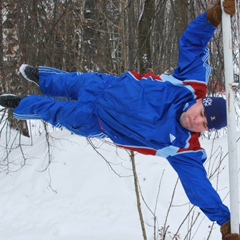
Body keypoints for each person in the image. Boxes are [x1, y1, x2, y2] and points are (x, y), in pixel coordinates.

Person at [0, 1, 238, 239]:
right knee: (67, 82)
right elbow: (193, 44)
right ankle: (41, 78)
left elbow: (200, 190)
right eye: (202, 113)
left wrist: (226, 222)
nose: (197, 121)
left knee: (54, 112)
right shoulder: (191, 84)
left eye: (205, 125)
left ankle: (21, 104)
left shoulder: (184, 149)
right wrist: (212, 18)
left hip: (95, 121)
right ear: (201, 101)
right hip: (101, 85)